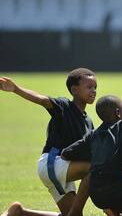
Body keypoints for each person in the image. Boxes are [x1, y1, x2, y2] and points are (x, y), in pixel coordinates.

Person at [0, 69, 96, 215]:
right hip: (52, 163)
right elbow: (42, 100)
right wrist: (16, 89)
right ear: (74, 90)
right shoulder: (64, 106)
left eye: (95, 87)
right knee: (95, 169)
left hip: (63, 167)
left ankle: (20, 213)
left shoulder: (88, 122)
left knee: (73, 215)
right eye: (89, 87)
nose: (94, 91)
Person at [61, 95, 122, 215]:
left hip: (96, 196)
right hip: (117, 192)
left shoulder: (92, 135)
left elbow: (66, 153)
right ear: (118, 112)